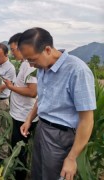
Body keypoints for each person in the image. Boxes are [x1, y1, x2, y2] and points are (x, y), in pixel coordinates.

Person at [19, 27, 96, 180]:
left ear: (47, 50)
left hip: (61, 137)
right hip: (42, 129)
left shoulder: (77, 71)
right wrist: (29, 119)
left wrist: (72, 158)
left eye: (32, 59)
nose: (31, 65)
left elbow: (87, 119)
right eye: (28, 61)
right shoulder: (43, 68)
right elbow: (42, 97)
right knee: (37, 175)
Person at [3, 33, 38, 180]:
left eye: (13, 49)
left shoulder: (29, 66)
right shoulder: (24, 64)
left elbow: (32, 91)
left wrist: (11, 87)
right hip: (19, 115)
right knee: (18, 151)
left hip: (23, 117)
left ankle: (20, 176)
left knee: (19, 153)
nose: (12, 53)